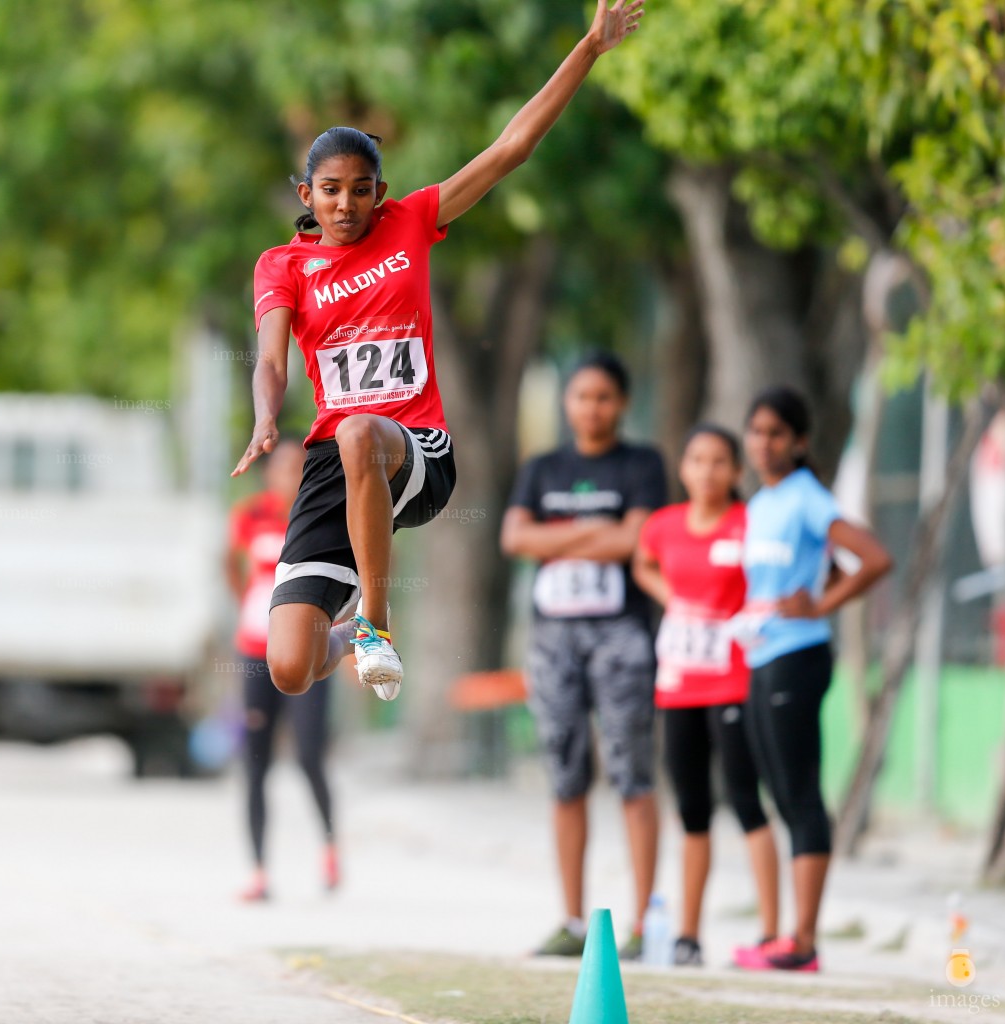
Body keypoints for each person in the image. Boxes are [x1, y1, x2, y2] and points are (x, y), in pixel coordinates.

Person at [233, 0, 648, 703]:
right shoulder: (281, 265)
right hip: (333, 467)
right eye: (330, 192)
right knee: (289, 669)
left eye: (361, 191)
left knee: (363, 430)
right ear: (307, 194)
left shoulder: (412, 221)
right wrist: (265, 417)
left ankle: (374, 626)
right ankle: (343, 637)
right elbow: (272, 358)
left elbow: (510, 148)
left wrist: (588, 49)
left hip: (416, 450)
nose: (345, 205)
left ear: (381, 193)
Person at [501, 351, 666, 960]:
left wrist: (558, 537)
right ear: (566, 403)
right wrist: (600, 535)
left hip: (621, 634)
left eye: (603, 397)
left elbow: (638, 539)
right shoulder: (543, 467)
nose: (591, 407)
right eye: (580, 396)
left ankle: (646, 924)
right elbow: (514, 538)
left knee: (632, 773)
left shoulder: (642, 464)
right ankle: (572, 921)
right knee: (565, 775)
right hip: (552, 639)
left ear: (621, 403)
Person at [734, 387, 892, 972]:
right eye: (756, 431)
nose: (763, 443)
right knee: (777, 792)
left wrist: (821, 605)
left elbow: (874, 559)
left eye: (776, 433)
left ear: (799, 441)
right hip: (760, 656)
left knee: (800, 795)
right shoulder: (760, 504)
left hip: (797, 657)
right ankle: (782, 935)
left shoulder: (806, 498)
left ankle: (803, 941)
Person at [633, 425, 779, 967]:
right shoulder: (664, 526)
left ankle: (771, 935)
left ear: (737, 472)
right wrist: (673, 597)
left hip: (734, 681)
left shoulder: (749, 525)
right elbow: (642, 563)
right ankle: (688, 935)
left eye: (720, 462)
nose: (708, 470)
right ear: (684, 468)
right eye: (697, 459)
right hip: (678, 684)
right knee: (692, 808)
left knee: (746, 801)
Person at [226, 441, 338, 902]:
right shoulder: (251, 515)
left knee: (309, 754)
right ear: (269, 472)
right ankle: (258, 869)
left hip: (307, 650)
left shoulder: (319, 515)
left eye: (299, 466)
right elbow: (227, 562)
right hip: (256, 651)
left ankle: (330, 846)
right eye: (283, 466)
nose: (289, 473)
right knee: (256, 761)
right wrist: (249, 603)